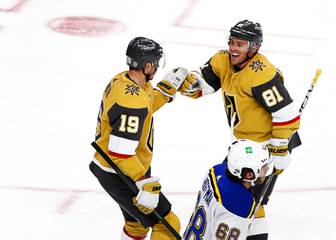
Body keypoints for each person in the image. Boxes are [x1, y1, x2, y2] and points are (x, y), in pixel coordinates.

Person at [179, 19, 301, 239]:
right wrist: (192, 84)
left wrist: (281, 148)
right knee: (248, 200)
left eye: (240, 44)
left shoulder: (261, 74)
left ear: (253, 48)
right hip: (243, 145)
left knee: (248, 200)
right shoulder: (222, 60)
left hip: (263, 147)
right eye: (232, 42)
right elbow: (206, 82)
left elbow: (287, 113)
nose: (233, 49)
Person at [89, 36, 187, 240]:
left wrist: (165, 90)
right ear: (148, 65)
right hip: (120, 172)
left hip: (114, 167)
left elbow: (146, 105)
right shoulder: (130, 100)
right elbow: (119, 152)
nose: (158, 67)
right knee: (168, 224)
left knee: (136, 226)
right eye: (156, 63)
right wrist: (143, 181)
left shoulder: (124, 80)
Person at [183, 139, 272, 240]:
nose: (267, 169)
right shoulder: (239, 204)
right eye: (264, 166)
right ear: (249, 174)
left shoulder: (216, 170)